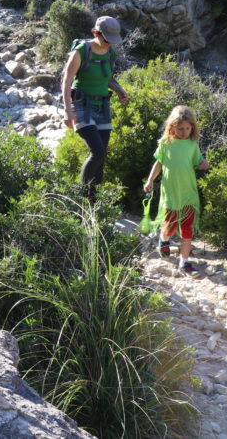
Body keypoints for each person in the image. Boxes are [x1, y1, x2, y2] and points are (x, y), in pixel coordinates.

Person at [61, 16, 130, 198]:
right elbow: (66, 81)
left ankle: (94, 202)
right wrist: (68, 112)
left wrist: (119, 90)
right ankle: (81, 197)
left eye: (112, 41)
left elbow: (107, 78)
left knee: (102, 157)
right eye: (106, 40)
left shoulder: (110, 53)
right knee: (97, 152)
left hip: (102, 106)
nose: (109, 44)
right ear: (95, 33)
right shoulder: (82, 51)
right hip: (81, 104)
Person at [142, 105, 210, 276]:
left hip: (188, 193)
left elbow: (198, 161)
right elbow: (158, 163)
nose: (184, 132)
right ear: (172, 127)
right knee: (170, 226)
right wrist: (150, 180)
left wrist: (204, 165)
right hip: (171, 194)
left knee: (187, 227)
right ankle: (163, 240)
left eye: (188, 128)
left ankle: (184, 263)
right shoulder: (166, 144)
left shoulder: (192, 145)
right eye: (180, 128)